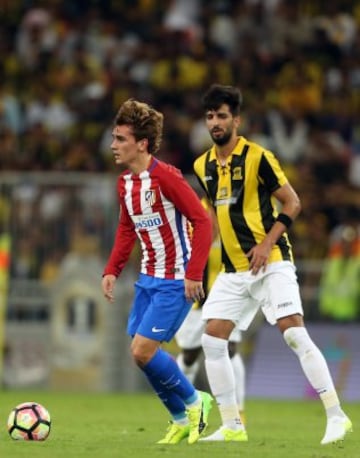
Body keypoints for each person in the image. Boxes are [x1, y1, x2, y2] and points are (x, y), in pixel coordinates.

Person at [193, 84, 352, 444]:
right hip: (234, 270)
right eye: (209, 116)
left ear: (237, 119)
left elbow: (292, 203)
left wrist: (266, 243)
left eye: (221, 115)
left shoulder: (258, 157)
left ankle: (336, 415)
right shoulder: (202, 166)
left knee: (294, 333)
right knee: (213, 340)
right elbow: (217, 218)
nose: (215, 122)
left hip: (271, 261)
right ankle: (232, 426)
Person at [101, 99, 213, 445]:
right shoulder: (125, 184)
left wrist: (194, 274)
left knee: (141, 351)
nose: (113, 145)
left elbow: (202, 221)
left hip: (176, 279)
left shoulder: (167, 178)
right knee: (141, 355)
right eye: (114, 138)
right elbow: (126, 229)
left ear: (142, 144)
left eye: (120, 139)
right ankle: (180, 419)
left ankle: (197, 402)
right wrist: (112, 270)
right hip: (147, 278)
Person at [175, 197, 246, 422]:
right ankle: (184, 407)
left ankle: (238, 412)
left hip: (226, 296)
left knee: (230, 348)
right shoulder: (196, 209)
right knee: (189, 355)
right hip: (196, 301)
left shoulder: (237, 209)